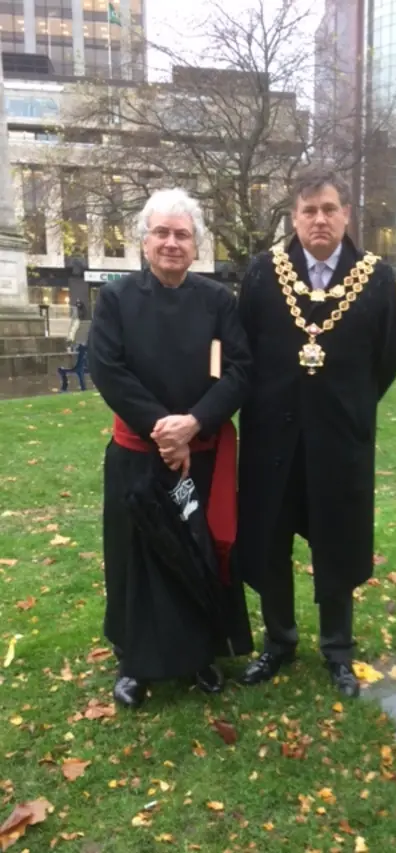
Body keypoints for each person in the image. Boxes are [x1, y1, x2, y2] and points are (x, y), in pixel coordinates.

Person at [237, 167, 396, 699]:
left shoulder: (375, 277)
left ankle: (337, 649)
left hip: (340, 440)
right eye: (309, 210)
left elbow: (387, 360)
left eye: (330, 208)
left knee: (338, 540)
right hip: (272, 440)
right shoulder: (264, 273)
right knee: (269, 541)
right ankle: (279, 642)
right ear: (294, 217)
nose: (320, 219)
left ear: (347, 214)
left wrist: (348, 407)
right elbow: (244, 352)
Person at [88, 188, 253, 708]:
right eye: (161, 232)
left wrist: (195, 423)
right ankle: (135, 661)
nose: (172, 243)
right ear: (144, 240)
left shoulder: (217, 302)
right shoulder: (115, 299)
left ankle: (200, 654)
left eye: (182, 234)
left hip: (197, 455)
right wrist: (165, 429)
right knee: (136, 559)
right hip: (138, 453)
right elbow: (108, 369)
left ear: (196, 243)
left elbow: (241, 370)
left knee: (194, 553)